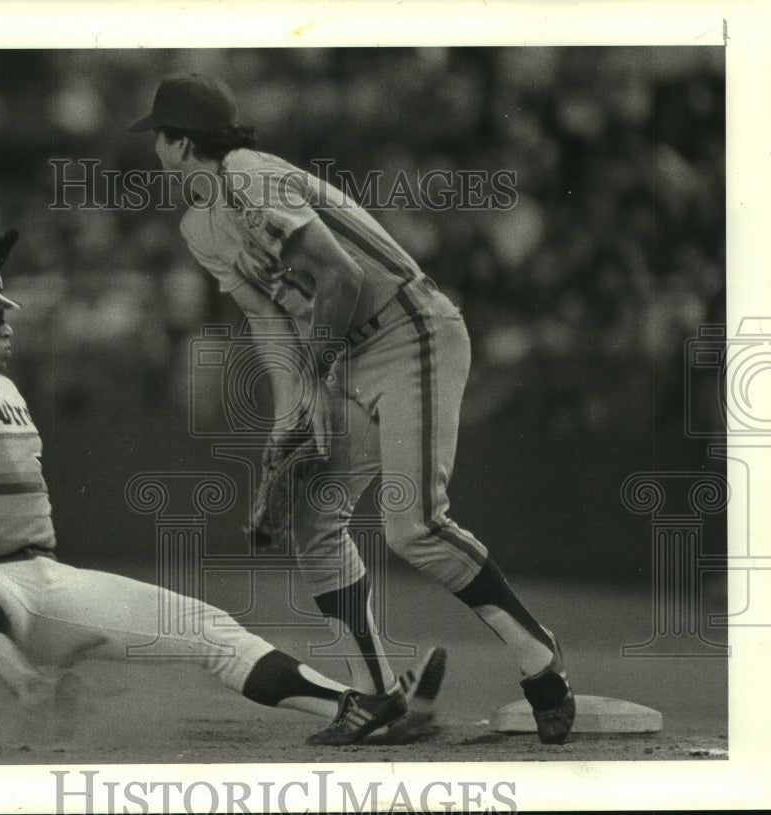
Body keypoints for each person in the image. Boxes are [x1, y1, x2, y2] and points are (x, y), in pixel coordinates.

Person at [129, 74, 576, 744]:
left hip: (410, 328)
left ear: (181, 141)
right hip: (344, 356)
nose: (153, 148)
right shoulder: (201, 226)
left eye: (158, 134)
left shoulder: (249, 175)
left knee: (414, 524)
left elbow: (345, 276)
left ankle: (539, 658)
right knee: (313, 522)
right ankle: (377, 696)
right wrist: (289, 422)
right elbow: (271, 326)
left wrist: (312, 388)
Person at [0, 200, 444, 747]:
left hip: (45, 583)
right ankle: (25, 683)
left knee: (209, 629)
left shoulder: (7, 390)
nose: (6, 323)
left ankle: (366, 707)